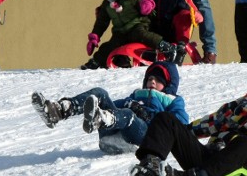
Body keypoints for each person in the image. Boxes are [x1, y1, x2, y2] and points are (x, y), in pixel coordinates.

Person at [31, 61, 188, 154]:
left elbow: (180, 124)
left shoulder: (173, 100)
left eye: (158, 80)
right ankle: (58, 111)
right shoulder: (137, 94)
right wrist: (129, 103)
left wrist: (151, 117)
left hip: (145, 136)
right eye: (150, 78)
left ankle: (101, 119)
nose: (152, 82)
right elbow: (117, 104)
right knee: (100, 94)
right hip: (115, 132)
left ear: (168, 84)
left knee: (128, 115)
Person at [82, 0, 186, 69]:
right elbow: (101, 22)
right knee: (110, 45)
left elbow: (148, 11)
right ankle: (96, 61)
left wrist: (147, 7)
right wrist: (95, 37)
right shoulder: (106, 4)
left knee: (143, 35)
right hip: (120, 31)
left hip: (137, 24)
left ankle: (166, 47)